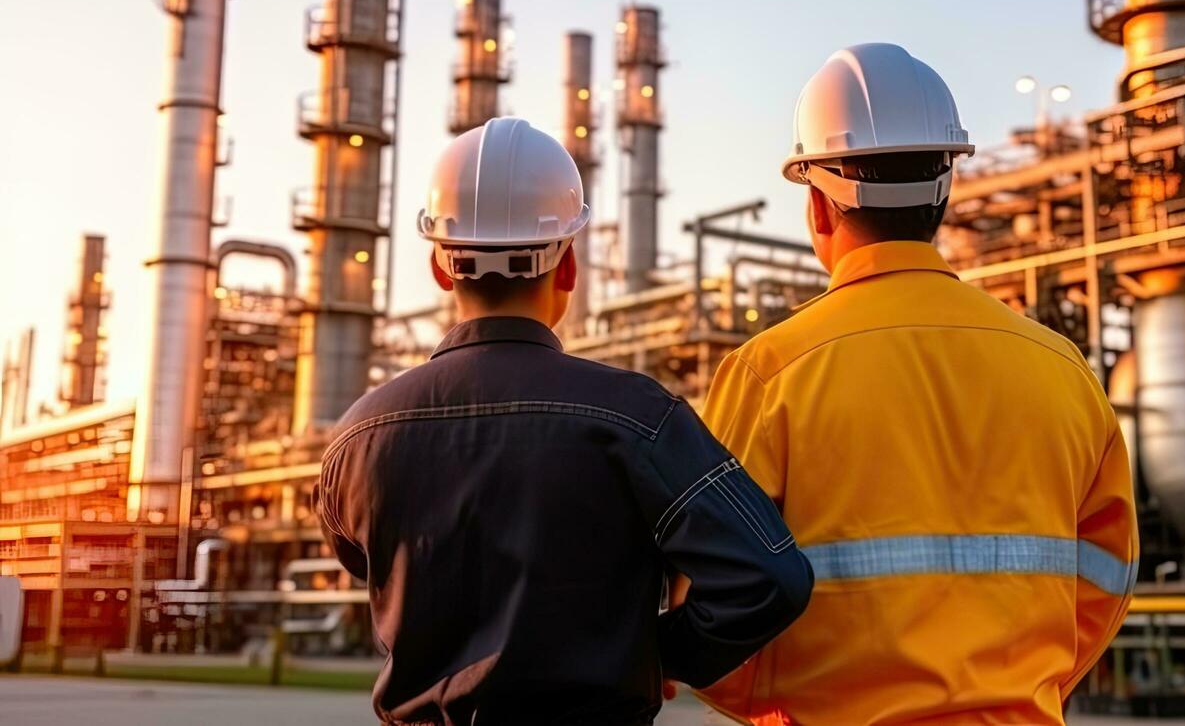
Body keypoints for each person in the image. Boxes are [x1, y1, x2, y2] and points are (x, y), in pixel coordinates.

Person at [694, 44, 1138, 725]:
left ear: (817, 204)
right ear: (946, 188)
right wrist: (1025, 685)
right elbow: (1108, 576)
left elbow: (711, 585)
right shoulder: (1063, 370)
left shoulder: (768, 374)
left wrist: (767, 699)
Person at [316, 117, 813, 726]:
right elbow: (770, 576)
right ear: (570, 267)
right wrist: (661, 657)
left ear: (441, 268)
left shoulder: (356, 439)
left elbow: (365, 563)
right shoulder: (639, 418)